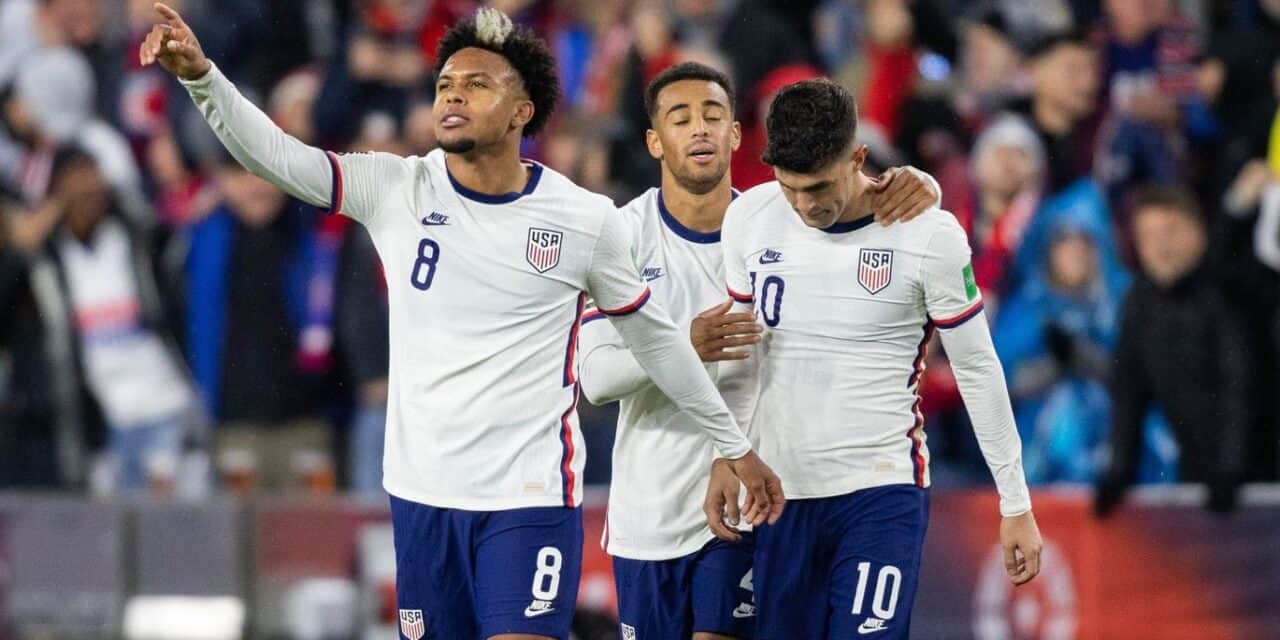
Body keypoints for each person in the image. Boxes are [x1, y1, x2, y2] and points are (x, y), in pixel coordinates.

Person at [140, 5, 783, 640]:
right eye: (445, 83)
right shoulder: (396, 188)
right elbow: (277, 156)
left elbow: (658, 344)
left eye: (477, 84)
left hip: (529, 495)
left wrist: (733, 447)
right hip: (424, 495)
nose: (452, 95)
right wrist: (202, 78)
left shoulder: (584, 219)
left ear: (522, 110)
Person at [577, 62, 939, 640]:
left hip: (751, 500)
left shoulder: (779, 224)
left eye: (713, 115)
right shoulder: (621, 236)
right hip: (650, 509)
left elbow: (856, 207)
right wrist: (685, 346)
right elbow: (596, 379)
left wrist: (921, 185)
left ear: (737, 135)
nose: (700, 128)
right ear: (654, 141)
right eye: (681, 118)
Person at [708, 80, 1042, 639]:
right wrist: (727, 453)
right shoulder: (749, 219)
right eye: (790, 187)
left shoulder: (928, 235)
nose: (805, 205)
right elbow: (743, 352)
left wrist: (1015, 500)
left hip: (880, 489)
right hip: (782, 493)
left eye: (819, 186)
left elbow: (977, 367)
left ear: (858, 157)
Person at [1094, 185, 1251, 516]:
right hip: (1198, 476)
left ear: (1198, 233)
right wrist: (1119, 470)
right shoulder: (1138, 302)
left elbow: (1240, 387)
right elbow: (1128, 392)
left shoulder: (1231, 293)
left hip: (1253, 477)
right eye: (1148, 236)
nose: (1161, 247)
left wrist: (1231, 469)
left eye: (1170, 232)